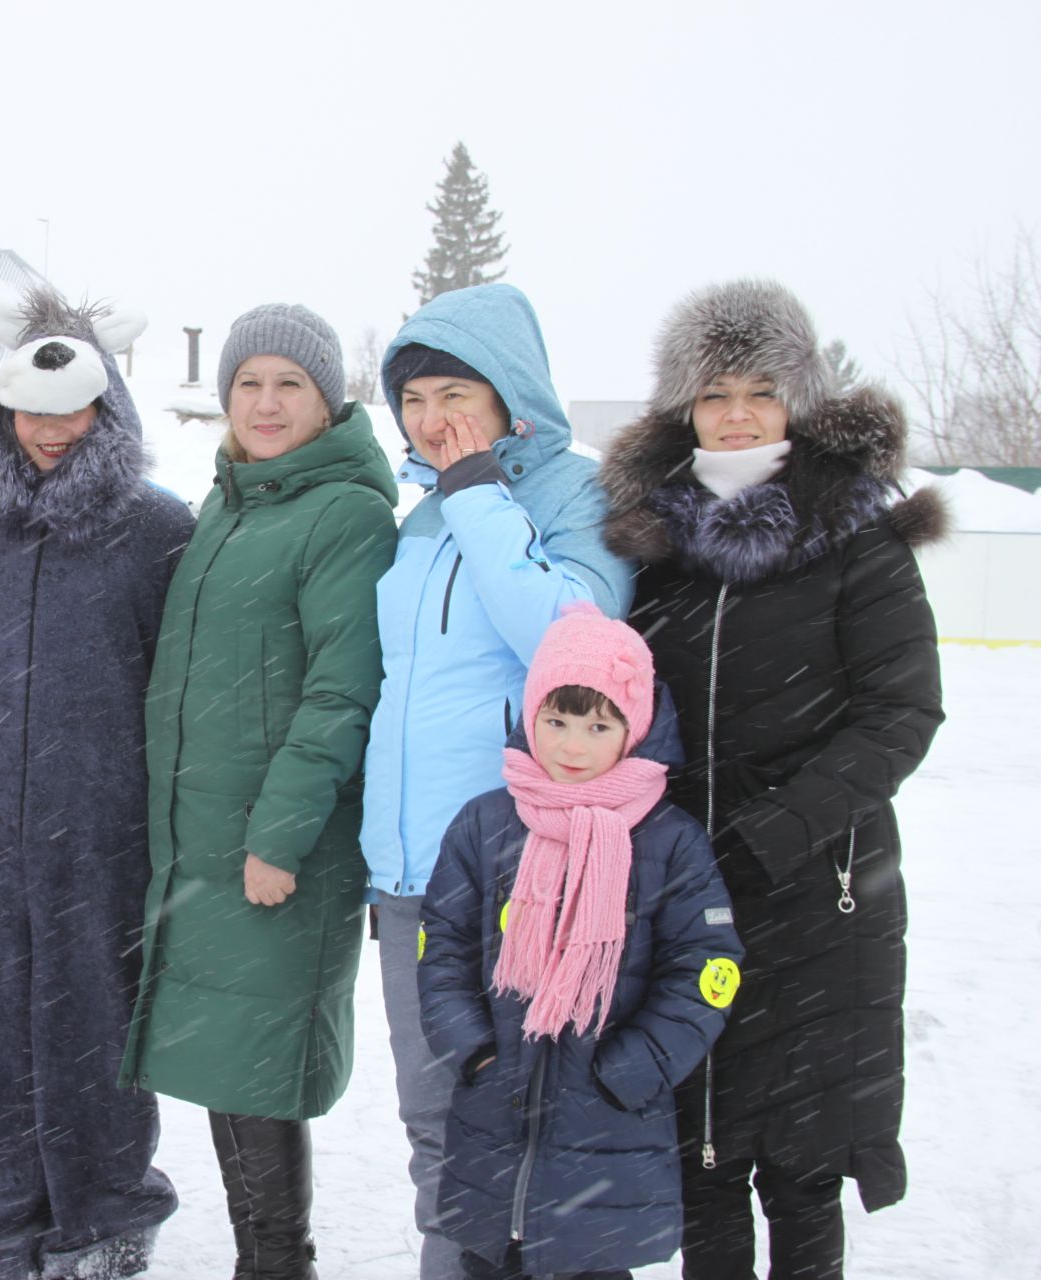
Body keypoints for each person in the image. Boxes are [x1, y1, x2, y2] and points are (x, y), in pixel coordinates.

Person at [598, 279, 945, 1280]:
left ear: (799, 399)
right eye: (714, 393)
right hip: (680, 895)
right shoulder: (652, 545)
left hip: (819, 898)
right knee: (699, 1156)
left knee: (798, 1169)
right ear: (684, 408)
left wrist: (778, 828)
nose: (738, 412)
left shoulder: (858, 537)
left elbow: (902, 711)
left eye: (760, 389)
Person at [356, 283, 633, 1278]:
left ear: (509, 392)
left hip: (522, 871)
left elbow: (574, 647)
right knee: (436, 1122)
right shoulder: (420, 516)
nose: (432, 419)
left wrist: (479, 487)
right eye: (416, 398)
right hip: (407, 878)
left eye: (453, 392)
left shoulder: (572, 494)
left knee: (539, 1129)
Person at [120, 303, 398, 1280]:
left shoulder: (346, 514)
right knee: (234, 1069)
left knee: (257, 1071)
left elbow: (340, 688)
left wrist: (278, 836)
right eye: (250, 383)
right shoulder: (232, 504)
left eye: (291, 384)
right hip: (204, 840)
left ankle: (279, 1263)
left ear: (328, 399)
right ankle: (268, 1258)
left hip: (274, 848)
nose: (268, 402)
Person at [0, 289, 190, 1279]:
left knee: (96, 1015)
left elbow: (180, 682)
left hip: (104, 820)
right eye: (29, 411)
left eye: (69, 409)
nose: (47, 431)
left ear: (107, 410)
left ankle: (105, 1213)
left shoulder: (157, 527)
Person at [418, 605, 743, 1280]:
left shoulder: (667, 839)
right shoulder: (486, 824)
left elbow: (706, 966)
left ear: (635, 729)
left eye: (598, 726)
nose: (571, 745)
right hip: (495, 1122)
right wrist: (476, 1053)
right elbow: (442, 946)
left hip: (607, 1133)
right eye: (556, 720)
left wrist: (630, 1070)